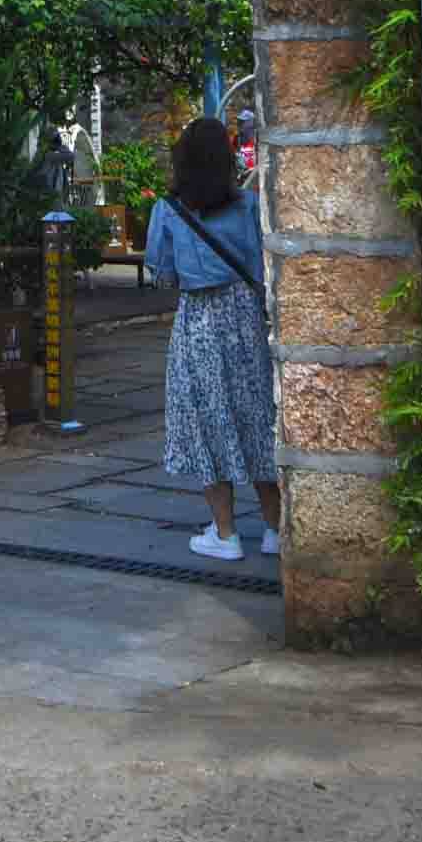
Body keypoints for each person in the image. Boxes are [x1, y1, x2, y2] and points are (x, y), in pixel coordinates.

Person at [145, 115, 281, 563]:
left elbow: (161, 273)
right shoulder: (246, 206)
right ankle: (276, 529)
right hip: (242, 317)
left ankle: (224, 533)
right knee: (257, 416)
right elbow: (262, 269)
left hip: (198, 318)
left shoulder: (167, 209)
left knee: (204, 419)